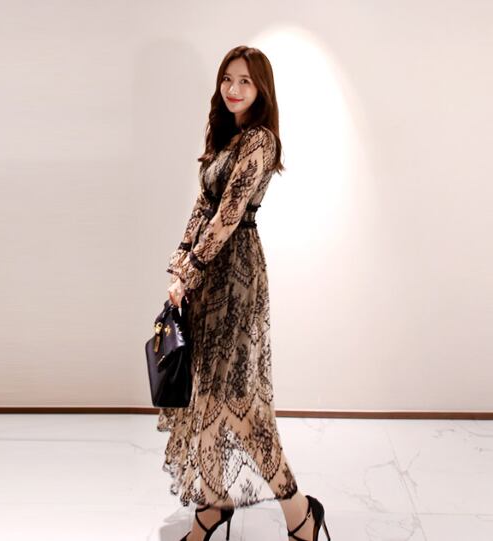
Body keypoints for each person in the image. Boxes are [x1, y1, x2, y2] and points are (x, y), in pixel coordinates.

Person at [159, 45, 332, 541]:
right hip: (207, 273)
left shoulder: (259, 140)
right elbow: (202, 205)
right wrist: (180, 264)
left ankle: (299, 511)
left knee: (240, 404)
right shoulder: (226, 136)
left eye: (245, 81)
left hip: (235, 276)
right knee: (209, 398)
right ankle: (213, 507)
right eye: (227, 79)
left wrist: (190, 270)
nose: (233, 89)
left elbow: (229, 215)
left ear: (262, 90)